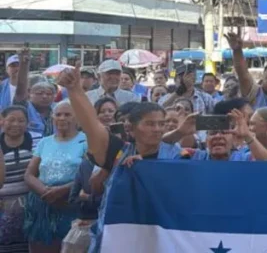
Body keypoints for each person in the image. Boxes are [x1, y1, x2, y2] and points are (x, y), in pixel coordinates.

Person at [56, 64, 191, 253]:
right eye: (150, 124)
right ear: (131, 129)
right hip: (121, 238)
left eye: (161, 124)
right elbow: (91, 125)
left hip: (163, 238)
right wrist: (75, 89)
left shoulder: (177, 155)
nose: (158, 129)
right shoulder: (118, 153)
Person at [24, 101, 88, 253]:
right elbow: (29, 174)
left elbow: (90, 175)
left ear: (77, 118)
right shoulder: (44, 142)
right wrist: (46, 192)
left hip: (71, 204)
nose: (62, 118)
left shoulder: (86, 140)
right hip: (43, 203)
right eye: (58, 114)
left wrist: (62, 190)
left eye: (67, 114)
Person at [1, 105, 35, 253]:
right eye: (11, 120)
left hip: (32, 209)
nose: (16, 124)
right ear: (2, 121)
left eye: (21, 120)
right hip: (3, 210)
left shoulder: (39, 141)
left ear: (28, 123)